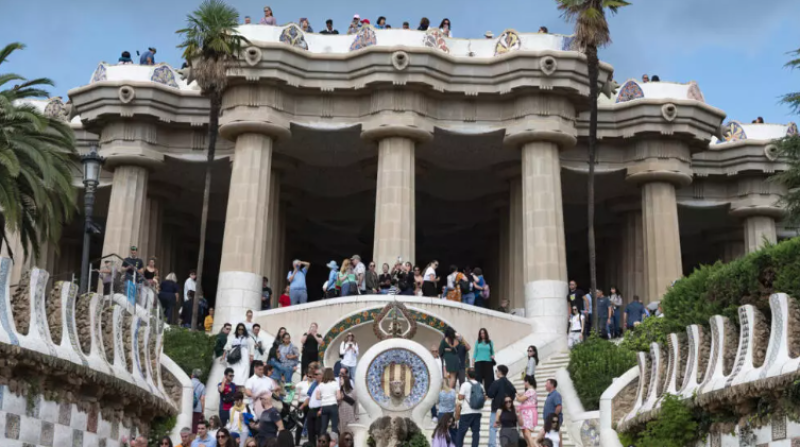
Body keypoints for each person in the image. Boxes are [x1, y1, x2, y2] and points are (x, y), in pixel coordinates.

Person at [487, 365, 516, 447]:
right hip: (506, 410)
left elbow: (490, 394)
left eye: (496, 371)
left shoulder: (496, 383)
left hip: (496, 409)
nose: (496, 372)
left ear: (500, 372)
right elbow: (513, 395)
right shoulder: (510, 384)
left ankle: (492, 445)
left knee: (493, 428)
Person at [455, 368, 482, 447]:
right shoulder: (480, 385)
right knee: (476, 432)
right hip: (477, 412)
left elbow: (460, 397)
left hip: (466, 411)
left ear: (467, 375)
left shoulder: (465, 384)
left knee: (461, 433)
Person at [315, 367, 340, 435]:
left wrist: (323, 397)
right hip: (333, 405)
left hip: (324, 406)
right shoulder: (335, 383)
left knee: (323, 427)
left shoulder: (321, 384)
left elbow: (317, 397)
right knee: (334, 427)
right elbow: (339, 397)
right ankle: (334, 444)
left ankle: (321, 442)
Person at [516, 375, 538, 447]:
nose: (524, 383)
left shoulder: (530, 391)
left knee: (527, 433)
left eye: (524, 382)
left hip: (528, 413)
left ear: (527, 382)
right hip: (526, 413)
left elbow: (520, 399)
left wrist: (516, 395)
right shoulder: (531, 391)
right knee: (525, 433)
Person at [191, 368, 207, 432]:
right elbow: (202, 399)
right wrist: (202, 411)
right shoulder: (202, 386)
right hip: (197, 409)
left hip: (188, 409)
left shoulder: (188, 382)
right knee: (194, 428)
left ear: (192, 375)